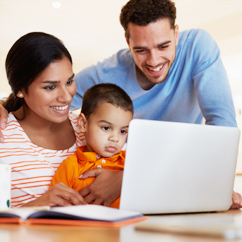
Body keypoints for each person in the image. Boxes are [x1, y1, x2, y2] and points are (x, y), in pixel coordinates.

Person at [0, 0, 241, 208]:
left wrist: (211, 189)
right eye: (142, 50)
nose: (155, 60)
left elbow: (220, 126)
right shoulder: (101, 81)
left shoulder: (90, 125)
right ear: (127, 41)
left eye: (70, 81)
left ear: (176, 34)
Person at [0, 32, 121, 208]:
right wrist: (34, 206)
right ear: (20, 90)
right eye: (50, 87)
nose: (66, 97)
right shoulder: (4, 138)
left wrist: (122, 178)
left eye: (69, 81)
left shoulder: (90, 127)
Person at [50, 83, 133, 208]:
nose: (115, 138)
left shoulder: (131, 163)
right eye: (106, 128)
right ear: (83, 123)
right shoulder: (70, 166)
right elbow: (55, 207)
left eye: (123, 131)